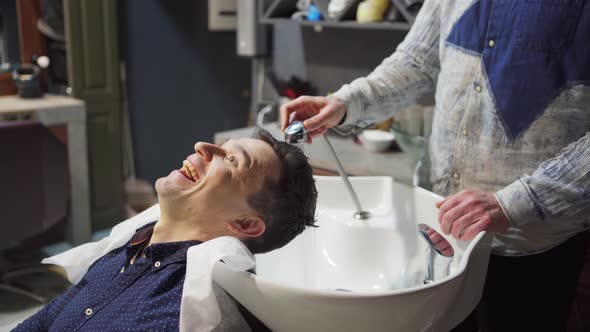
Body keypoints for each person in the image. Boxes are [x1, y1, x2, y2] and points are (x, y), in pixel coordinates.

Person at [280, 1, 590, 331]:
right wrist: (345, 103)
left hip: (528, 246)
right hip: (436, 225)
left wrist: (515, 202)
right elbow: (416, 63)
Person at [13, 128, 318, 331]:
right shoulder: (129, 248)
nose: (203, 147)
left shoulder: (179, 311)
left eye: (234, 161)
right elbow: (47, 320)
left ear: (245, 223)